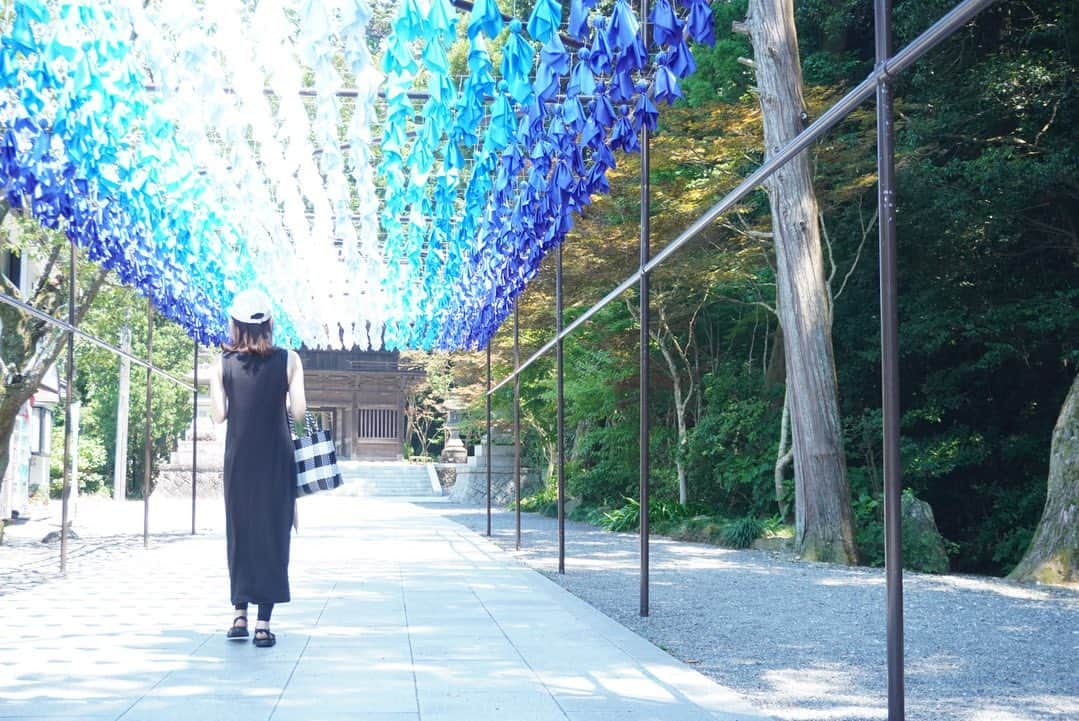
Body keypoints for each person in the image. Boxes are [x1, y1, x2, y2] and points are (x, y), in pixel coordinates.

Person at [208, 289, 306, 648]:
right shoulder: (289, 360)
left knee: (241, 530)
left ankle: (239, 615)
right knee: (273, 532)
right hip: (276, 457)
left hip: (240, 458)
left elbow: (219, 415)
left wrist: (217, 386)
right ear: (269, 324)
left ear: (235, 324)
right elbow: (298, 414)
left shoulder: (221, 363)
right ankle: (263, 624)